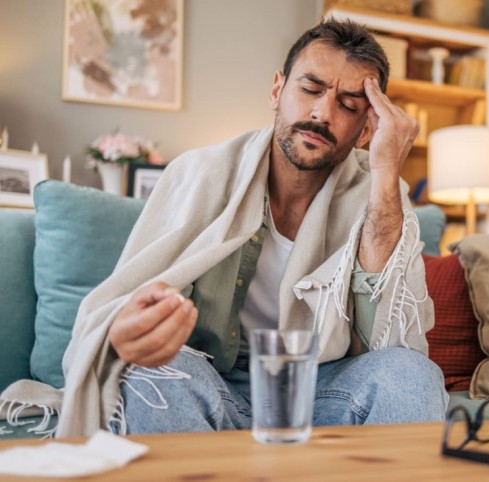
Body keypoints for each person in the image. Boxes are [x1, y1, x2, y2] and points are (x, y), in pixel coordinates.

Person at [3, 18, 448, 437]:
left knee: (411, 376)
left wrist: (386, 171)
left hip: (319, 388)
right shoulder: (198, 173)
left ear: (366, 129)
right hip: (209, 380)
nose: (321, 112)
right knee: (151, 371)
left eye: (348, 105)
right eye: (310, 88)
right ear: (277, 89)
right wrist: (126, 336)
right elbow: (120, 305)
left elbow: (391, 334)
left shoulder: (381, 196)